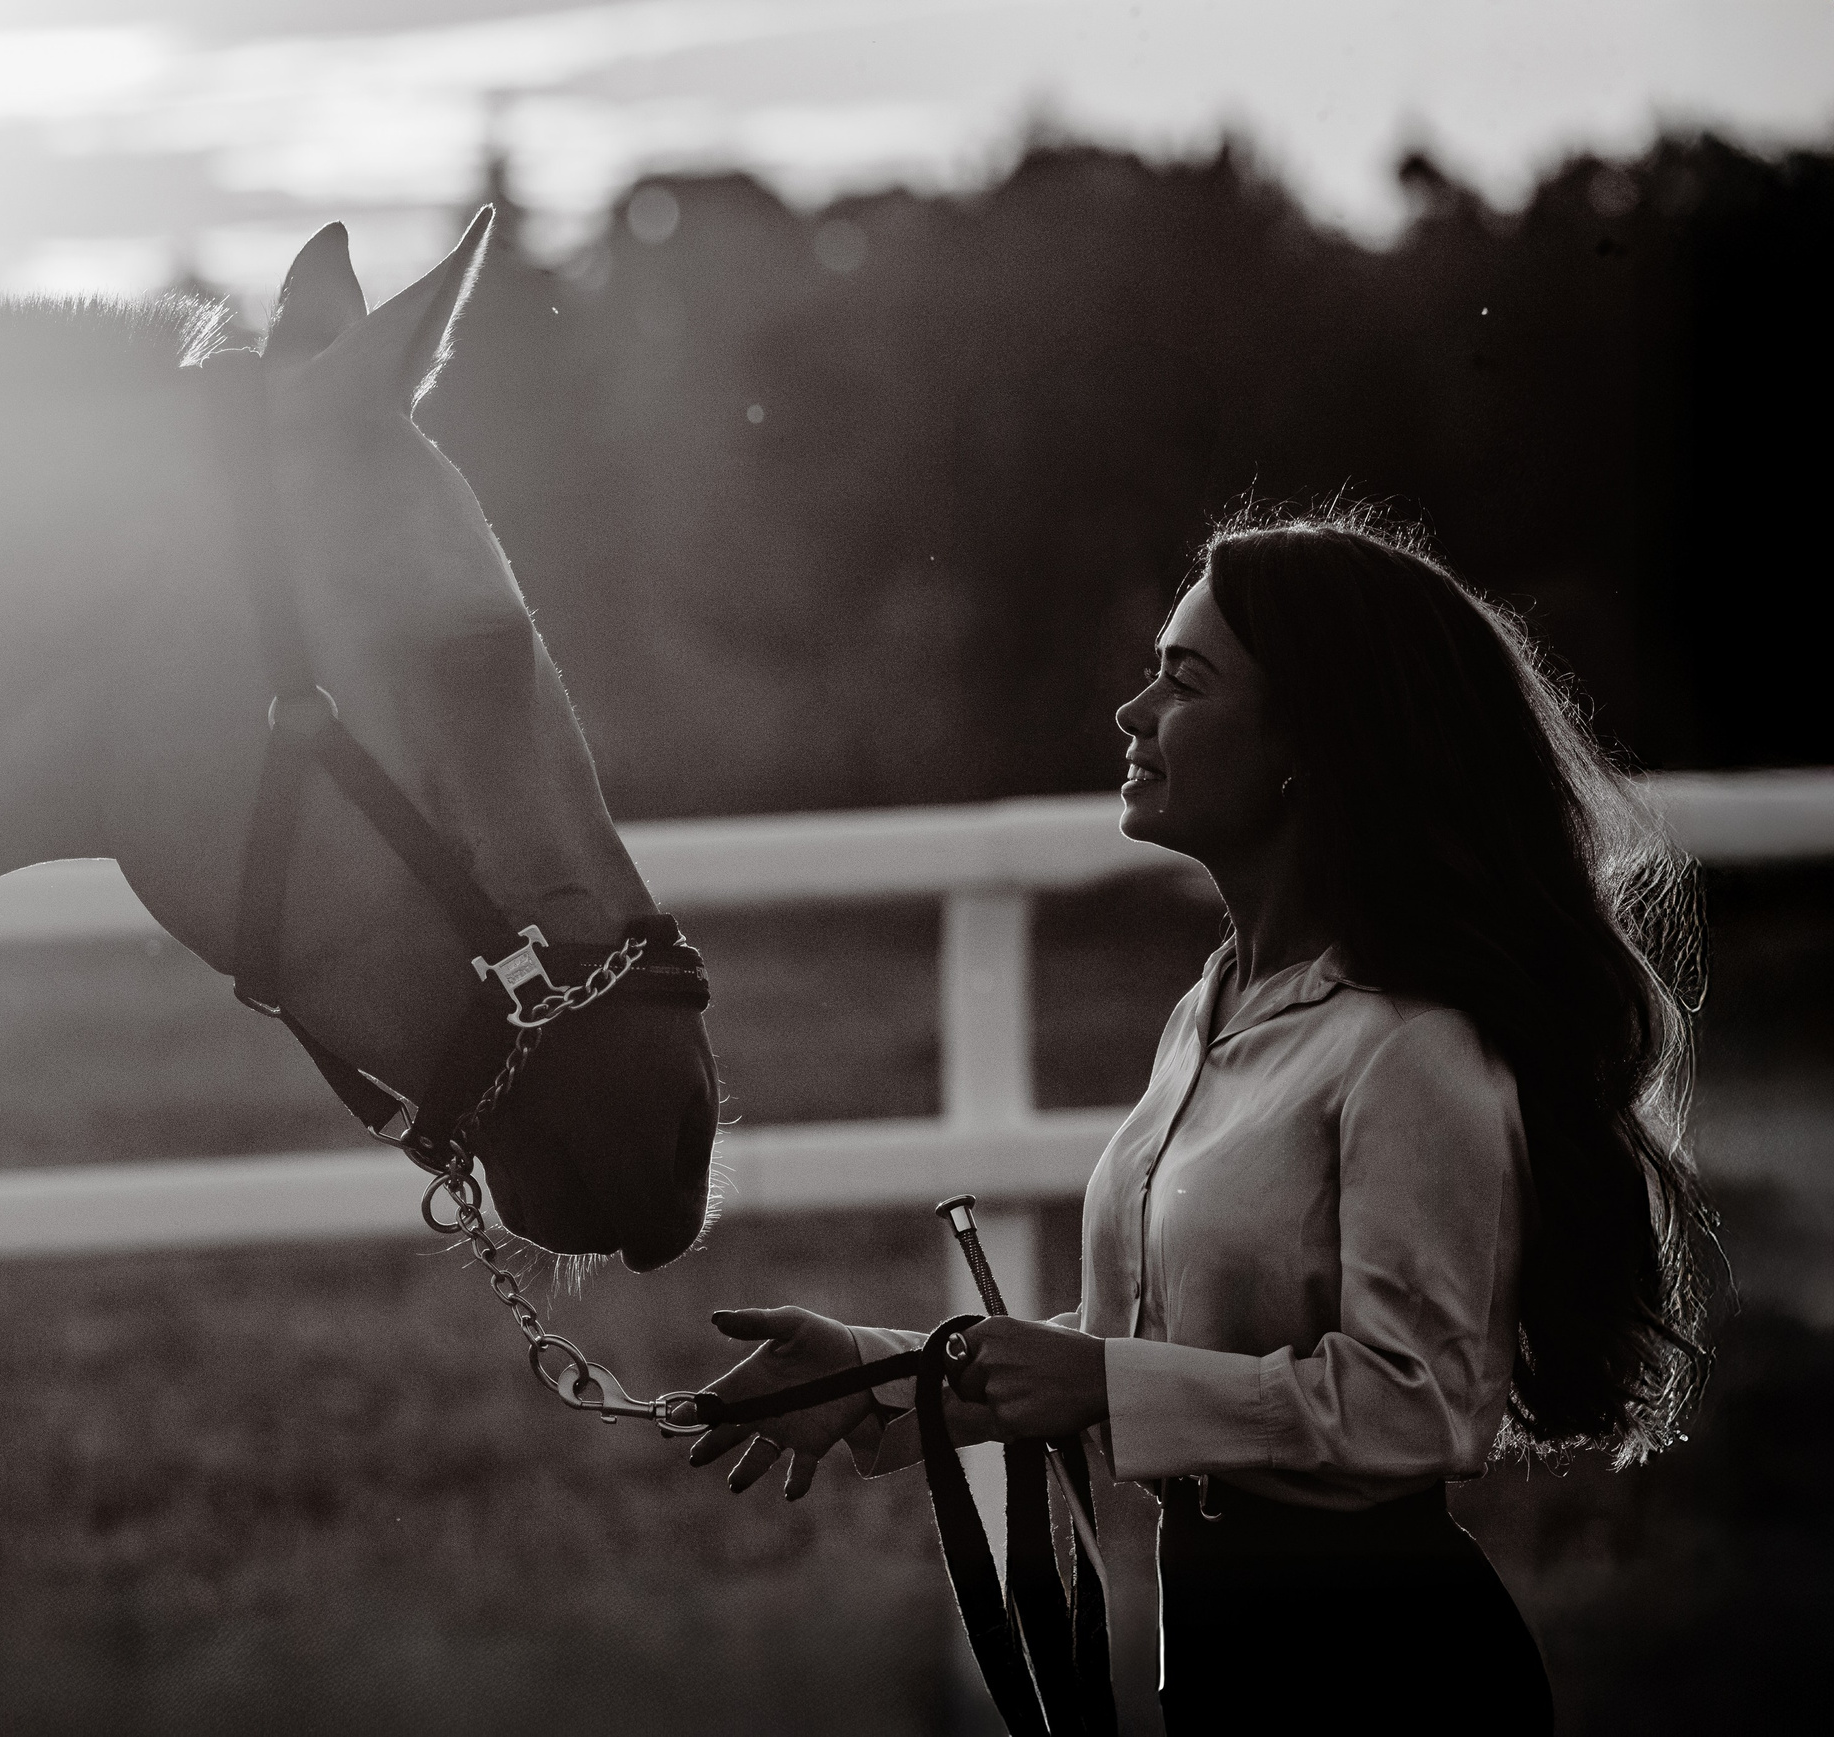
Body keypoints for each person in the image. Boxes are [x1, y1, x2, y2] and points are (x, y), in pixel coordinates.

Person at [685, 514, 1719, 1736]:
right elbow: (1150, 1350)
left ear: (1308, 745)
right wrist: (884, 1373)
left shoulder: (1411, 1047)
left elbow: (1416, 1406)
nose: (1132, 713)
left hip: (1382, 1673)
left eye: (1184, 680)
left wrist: (1096, 1379)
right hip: (1224, 1656)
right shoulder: (1211, 1008)